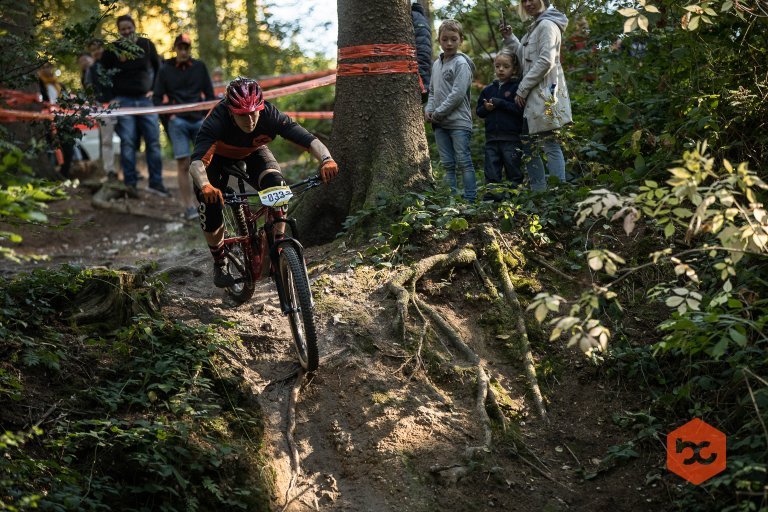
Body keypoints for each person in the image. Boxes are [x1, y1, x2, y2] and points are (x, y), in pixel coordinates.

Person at [188, 77, 339, 287]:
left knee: (278, 186)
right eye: (243, 115)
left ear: (261, 107)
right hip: (216, 160)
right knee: (210, 204)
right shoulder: (217, 119)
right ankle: (219, 260)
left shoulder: (270, 114)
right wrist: (205, 185)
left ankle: (278, 247)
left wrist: (327, 159)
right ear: (231, 111)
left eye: (254, 113)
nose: (250, 120)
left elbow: (308, 139)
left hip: (253, 152)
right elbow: (196, 164)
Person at [500, 0, 572, 187]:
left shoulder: (548, 25)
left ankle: (558, 194)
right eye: (524, 1)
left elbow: (545, 61)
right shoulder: (536, 26)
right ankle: (539, 194)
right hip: (533, 98)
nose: (528, 3)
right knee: (530, 147)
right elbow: (526, 59)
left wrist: (522, 89)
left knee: (550, 145)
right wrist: (510, 38)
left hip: (545, 95)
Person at [100, 13, 169, 198]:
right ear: (118, 31)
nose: (126, 31)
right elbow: (101, 73)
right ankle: (130, 185)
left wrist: (155, 90)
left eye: (129, 28)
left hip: (146, 101)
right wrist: (110, 97)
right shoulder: (112, 50)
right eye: (122, 29)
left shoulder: (146, 45)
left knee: (153, 141)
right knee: (128, 141)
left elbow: (159, 68)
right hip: (123, 101)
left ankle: (156, 183)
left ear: (134, 27)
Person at [153, 33, 215, 221]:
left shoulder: (199, 67)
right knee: (183, 163)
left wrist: (207, 118)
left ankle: (209, 201)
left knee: (205, 161)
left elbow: (210, 94)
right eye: (180, 47)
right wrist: (170, 115)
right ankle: (188, 206)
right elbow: (156, 98)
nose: (183, 51)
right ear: (175, 49)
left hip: (198, 120)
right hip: (177, 122)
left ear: (190, 49)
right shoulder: (165, 70)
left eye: (186, 47)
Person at [476, 50, 542, 197]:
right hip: (492, 138)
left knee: (513, 171)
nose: (501, 69)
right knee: (492, 171)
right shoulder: (488, 90)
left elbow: (519, 110)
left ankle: (513, 200)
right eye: (498, 66)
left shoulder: (517, 88)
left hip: (511, 139)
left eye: (505, 66)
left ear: (514, 69)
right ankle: (492, 201)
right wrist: (486, 108)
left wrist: (501, 103)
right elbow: (479, 112)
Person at [425, 19, 477, 202]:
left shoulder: (461, 63)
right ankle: (451, 199)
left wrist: (438, 113)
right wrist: (429, 109)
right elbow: (432, 91)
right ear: (439, 39)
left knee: (463, 161)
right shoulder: (436, 64)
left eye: (453, 39)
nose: (449, 43)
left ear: (461, 40)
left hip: (458, 122)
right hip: (440, 124)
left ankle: (470, 199)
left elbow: (457, 94)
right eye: (445, 39)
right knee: (447, 164)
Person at [84, 39, 118, 180]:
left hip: (121, 104)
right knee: (106, 140)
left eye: (98, 48)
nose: (96, 52)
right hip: (102, 107)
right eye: (93, 50)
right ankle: (109, 171)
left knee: (129, 138)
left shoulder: (113, 63)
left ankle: (129, 171)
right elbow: (88, 89)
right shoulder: (90, 70)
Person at [37, 62, 75, 179]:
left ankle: (64, 175)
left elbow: (68, 102)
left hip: (62, 119)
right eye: (44, 67)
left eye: (49, 66)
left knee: (68, 147)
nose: (47, 69)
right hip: (45, 120)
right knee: (48, 148)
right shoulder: (38, 85)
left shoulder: (59, 85)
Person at [411, 2, 432, 103]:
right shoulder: (423, 19)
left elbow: (422, 50)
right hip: (424, 74)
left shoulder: (413, 17)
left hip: (420, 79)